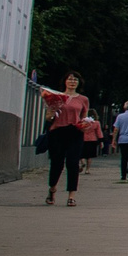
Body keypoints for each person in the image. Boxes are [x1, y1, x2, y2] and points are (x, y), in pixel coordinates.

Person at [40, 72, 88, 206]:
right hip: (58, 131)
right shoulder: (57, 96)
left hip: (75, 132)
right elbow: (49, 117)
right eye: (70, 79)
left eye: (75, 79)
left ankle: (71, 195)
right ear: (65, 81)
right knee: (57, 163)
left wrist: (85, 124)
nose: (72, 81)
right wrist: (50, 113)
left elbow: (84, 116)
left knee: (73, 164)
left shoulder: (83, 99)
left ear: (79, 83)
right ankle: (52, 189)